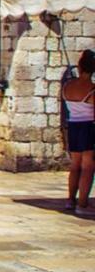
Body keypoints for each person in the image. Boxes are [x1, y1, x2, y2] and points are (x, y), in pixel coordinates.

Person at [62, 49, 95, 214]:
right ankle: (83, 203)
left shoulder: (67, 86)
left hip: (73, 125)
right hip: (88, 126)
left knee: (75, 165)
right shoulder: (92, 89)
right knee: (88, 166)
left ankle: (70, 200)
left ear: (80, 67)